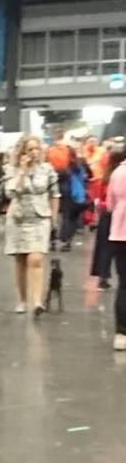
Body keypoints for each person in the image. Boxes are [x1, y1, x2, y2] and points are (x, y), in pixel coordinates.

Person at [5, 134, 60, 316]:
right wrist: (22, 171)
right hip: (18, 219)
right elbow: (11, 193)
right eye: (30, 149)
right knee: (21, 261)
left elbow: (55, 194)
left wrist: (53, 218)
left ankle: (37, 301)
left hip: (40, 218)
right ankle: (22, 299)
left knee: (35, 259)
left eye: (37, 148)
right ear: (22, 151)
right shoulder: (12, 169)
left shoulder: (47, 169)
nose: (34, 152)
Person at [91, 144, 126, 291]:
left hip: (108, 214)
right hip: (119, 215)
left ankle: (103, 276)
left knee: (105, 248)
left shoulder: (108, 176)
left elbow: (102, 198)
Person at [106, 148, 126, 351]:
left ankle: (121, 333)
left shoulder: (118, 172)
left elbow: (110, 205)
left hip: (120, 234)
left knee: (123, 285)